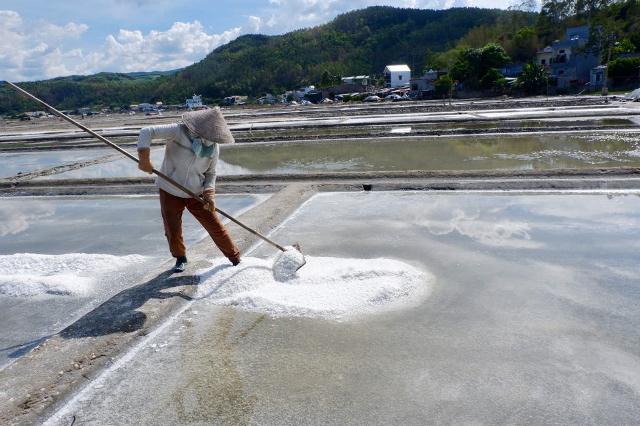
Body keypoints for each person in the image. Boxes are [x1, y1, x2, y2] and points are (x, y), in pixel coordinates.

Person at [137, 107, 241, 273]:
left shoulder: (213, 147)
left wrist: (209, 193)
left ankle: (235, 258)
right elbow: (146, 131)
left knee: (215, 227)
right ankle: (180, 257)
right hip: (170, 189)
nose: (211, 137)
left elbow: (211, 172)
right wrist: (144, 158)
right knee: (172, 229)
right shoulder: (178, 131)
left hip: (196, 194)